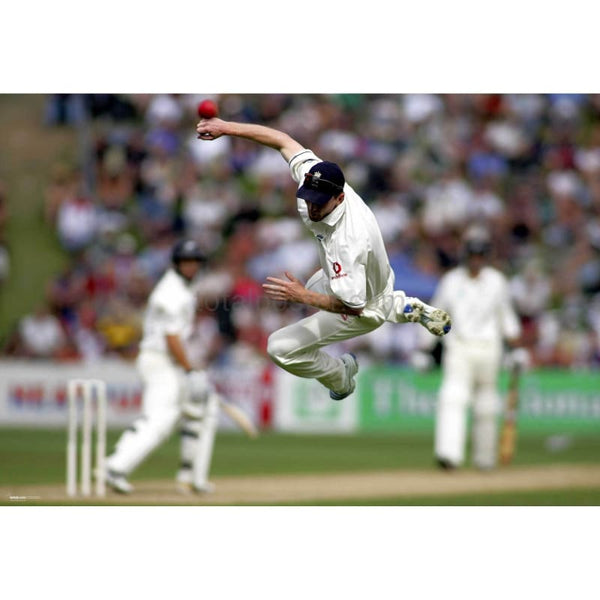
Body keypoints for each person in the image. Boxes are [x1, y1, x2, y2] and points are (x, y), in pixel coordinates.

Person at [196, 117, 451, 400]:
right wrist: (226, 128)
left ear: (340, 198)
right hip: (362, 280)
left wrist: (302, 296)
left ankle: (342, 376)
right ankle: (398, 304)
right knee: (319, 285)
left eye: (319, 201)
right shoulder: (319, 176)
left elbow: (352, 307)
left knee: (279, 348)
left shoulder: (349, 240)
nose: (311, 205)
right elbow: (281, 140)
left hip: (361, 308)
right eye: (309, 197)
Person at [105, 239, 219, 494]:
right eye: (186, 262)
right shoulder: (171, 293)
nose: (191, 267)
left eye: (195, 262)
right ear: (177, 264)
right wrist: (190, 370)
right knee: (159, 419)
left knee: (204, 408)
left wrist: (189, 367)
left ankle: (191, 477)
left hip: (169, 361)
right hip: (159, 361)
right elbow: (171, 338)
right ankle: (114, 467)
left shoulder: (183, 287)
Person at [413, 226, 526, 470]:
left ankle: (484, 459)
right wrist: (424, 349)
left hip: (489, 349)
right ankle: (449, 455)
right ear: (465, 256)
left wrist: (516, 348)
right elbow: (436, 315)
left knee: (487, 404)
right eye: (472, 255)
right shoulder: (452, 281)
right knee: (452, 397)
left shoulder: (496, 281)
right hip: (459, 348)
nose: (475, 260)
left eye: (480, 255)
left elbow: (506, 316)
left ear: (486, 257)